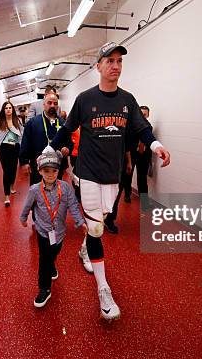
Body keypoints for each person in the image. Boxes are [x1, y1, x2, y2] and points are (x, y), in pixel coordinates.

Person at [46, 41, 171, 320]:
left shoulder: (127, 100)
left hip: (112, 176)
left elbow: (142, 129)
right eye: (110, 61)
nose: (115, 66)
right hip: (88, 173)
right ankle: (104, 290)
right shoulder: (85, 99)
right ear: (98, 66)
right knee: (97, 230)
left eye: (119, 61)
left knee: (99, 221)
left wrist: (155, 146)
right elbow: (66, 131)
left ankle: (84, 248)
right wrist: (48, 150)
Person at [19, 150, 85, 308]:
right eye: (46, 171)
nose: (50, 174)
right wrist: (22, 218)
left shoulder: (66, 188)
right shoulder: (35, 189)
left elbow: (73, 207)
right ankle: (44, 289)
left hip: (60, 232)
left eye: (54, 171)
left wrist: (80, 222)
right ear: (40, 171)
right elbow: (27, 206)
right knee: (44, 261)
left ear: (59, 171)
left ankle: (52, 263)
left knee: (54, 252)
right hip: (43, 232)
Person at [105, 105, 153, 229]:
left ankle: (145, 202)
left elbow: (149, 142)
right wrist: (129, 161)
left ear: (148, 115)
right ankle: (125, 197)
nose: (143, 116)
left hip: (143, 155)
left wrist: (151, 161)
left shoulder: (148, 127)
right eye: (141, 114)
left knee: (142, 178)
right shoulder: (130, 127)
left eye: (145, 114)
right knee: (125, 180)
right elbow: (126, 144)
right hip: (130, 155)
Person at [19, 92, 71, 187]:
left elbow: (69, 142)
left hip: (56, 168)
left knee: (55, 194)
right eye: (49, 103)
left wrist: (67, 148)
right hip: (38, 167)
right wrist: (24, 162)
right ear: (44, 104)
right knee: (38, 194)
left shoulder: (63, 123)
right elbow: (25, 143)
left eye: (55, 103)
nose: (52, 105)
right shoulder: (33, 123)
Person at [0, 101, 23, 206]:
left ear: (12, 110)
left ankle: (12, 185)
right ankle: (7, 196)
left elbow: (21, 134)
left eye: (10, 108)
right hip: (4, 148)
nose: (8, 110)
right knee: (6, 171)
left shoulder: (17, 121)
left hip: (15, 147)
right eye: (6, 108)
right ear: (3, 110)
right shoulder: (0, 122)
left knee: (13, 169)